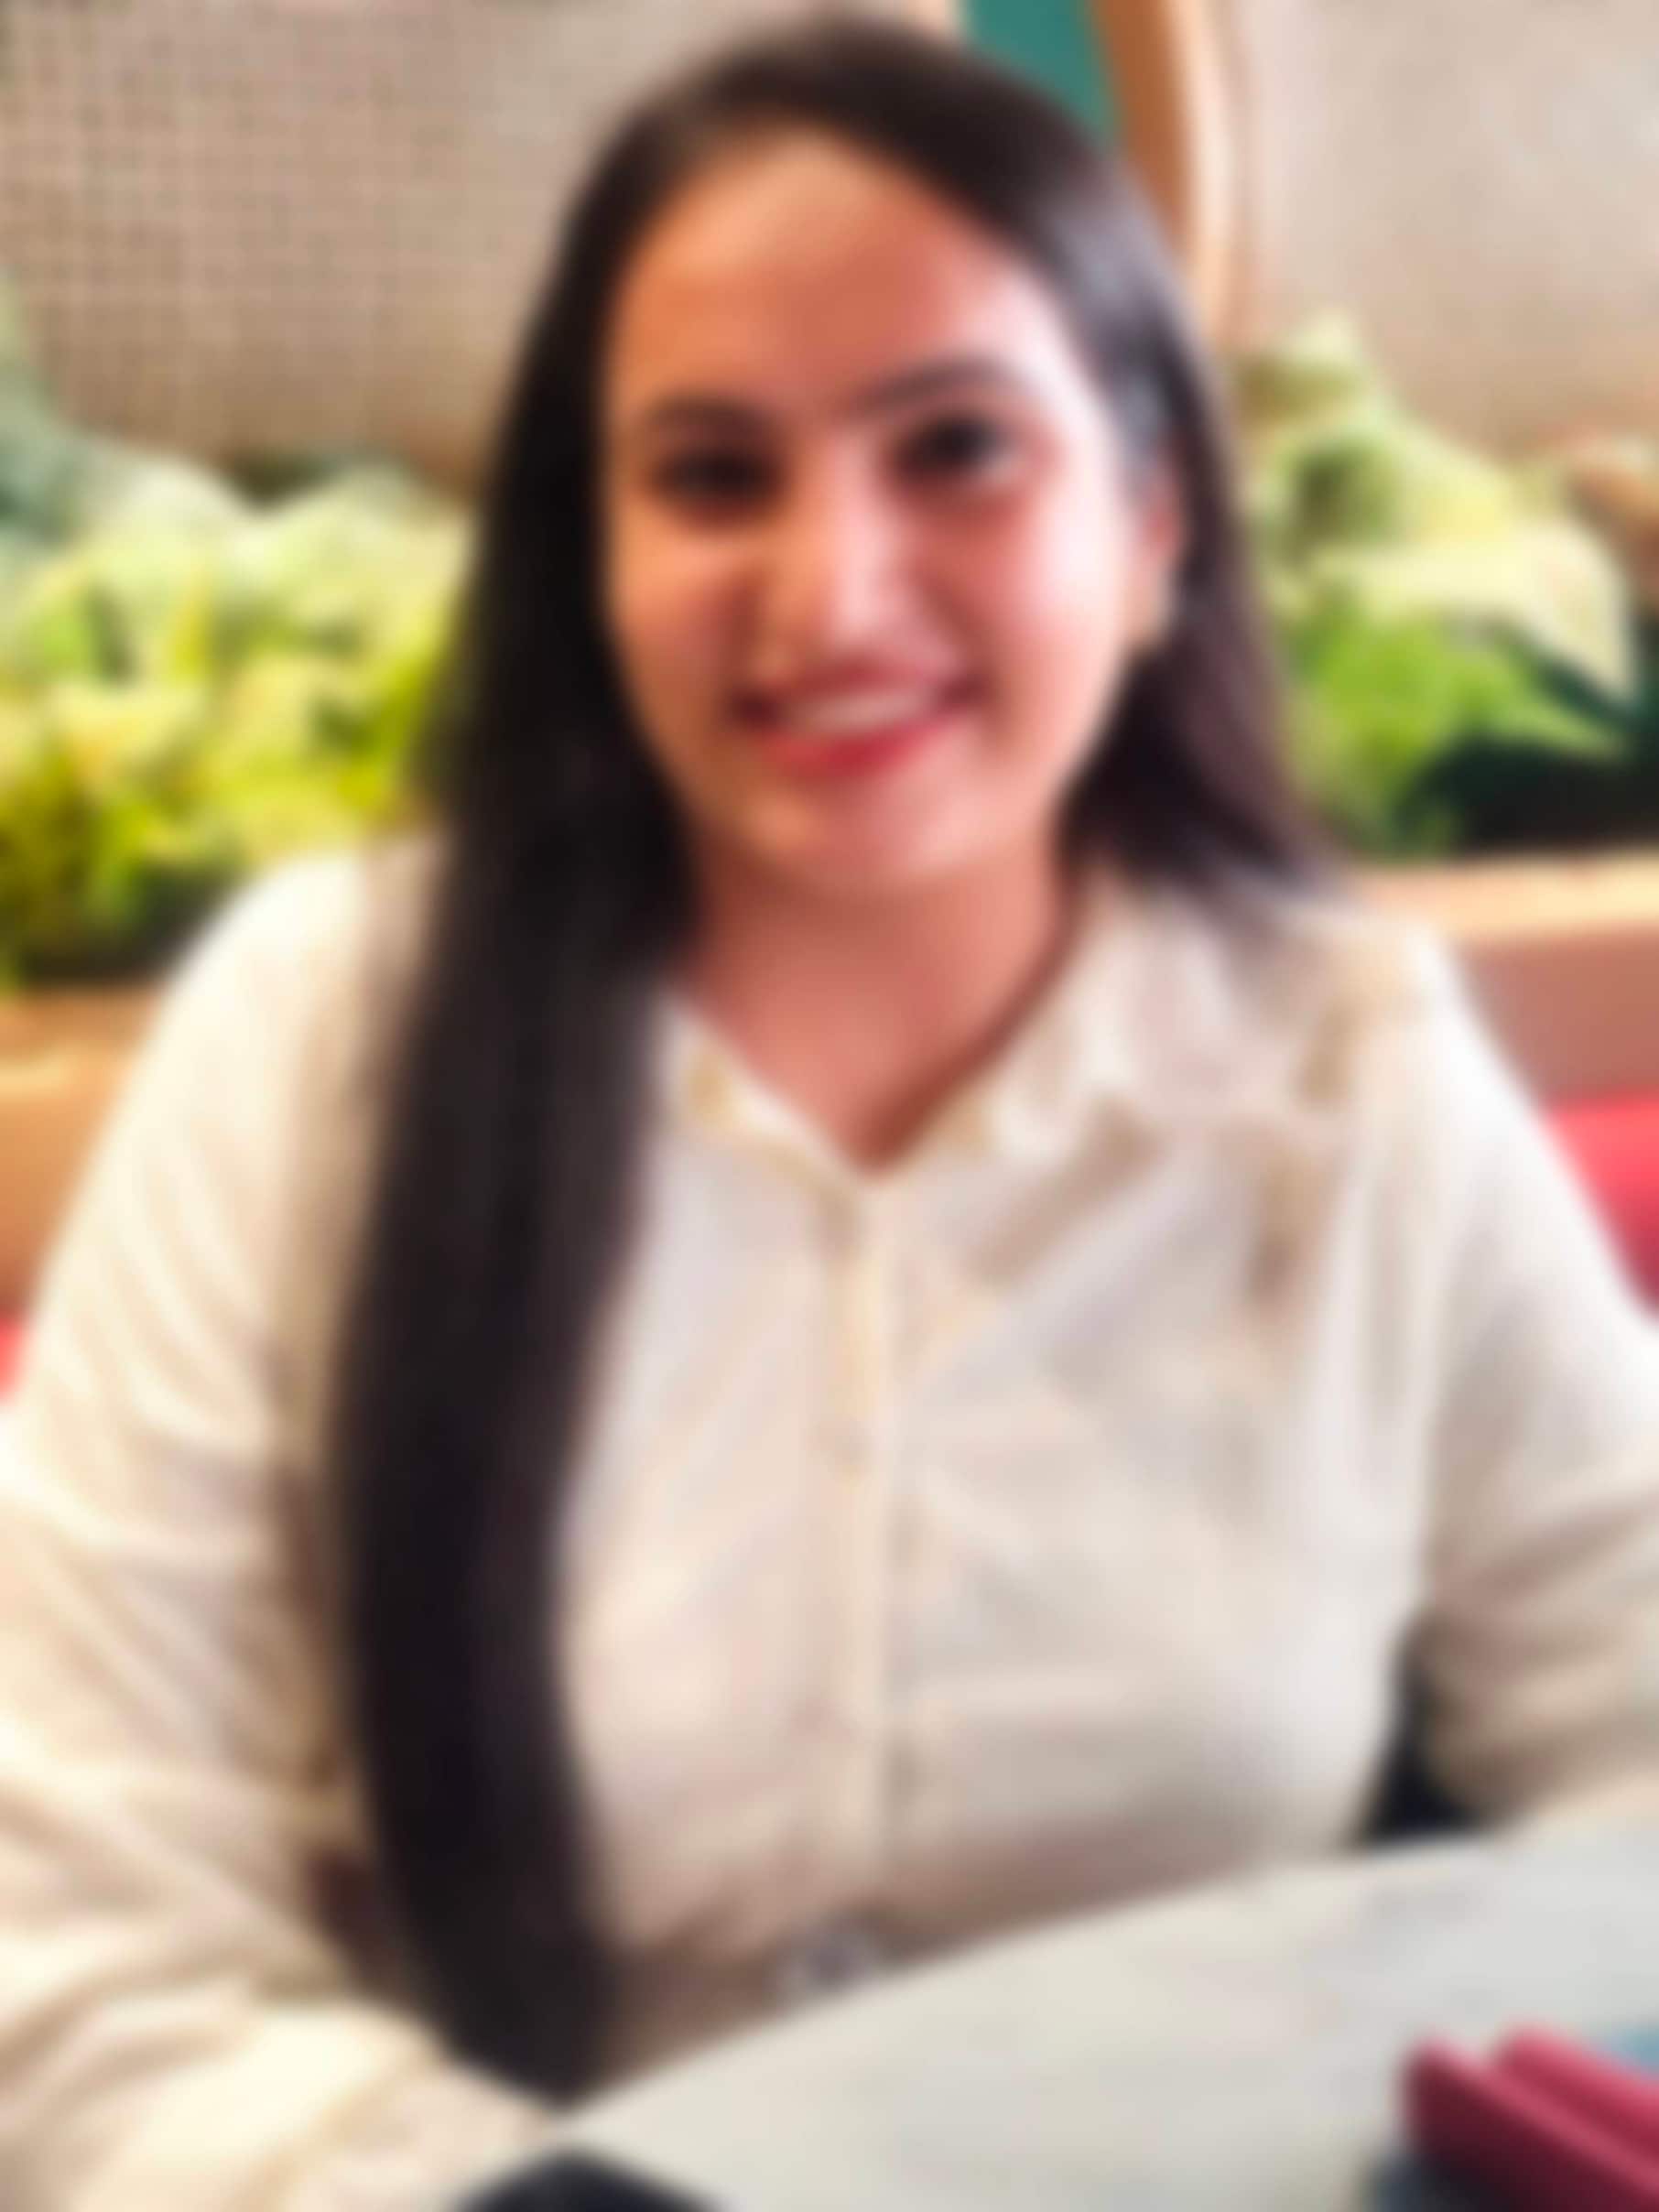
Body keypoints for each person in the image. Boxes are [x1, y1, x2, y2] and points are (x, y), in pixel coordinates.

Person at [3, 17, 1658, 2210]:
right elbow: (78, 1955)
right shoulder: (322, 1044)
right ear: (589, 553)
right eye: (711, 476)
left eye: (957, 448)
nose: (833, 594)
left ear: (1154, 521)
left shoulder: (1346, 1068)